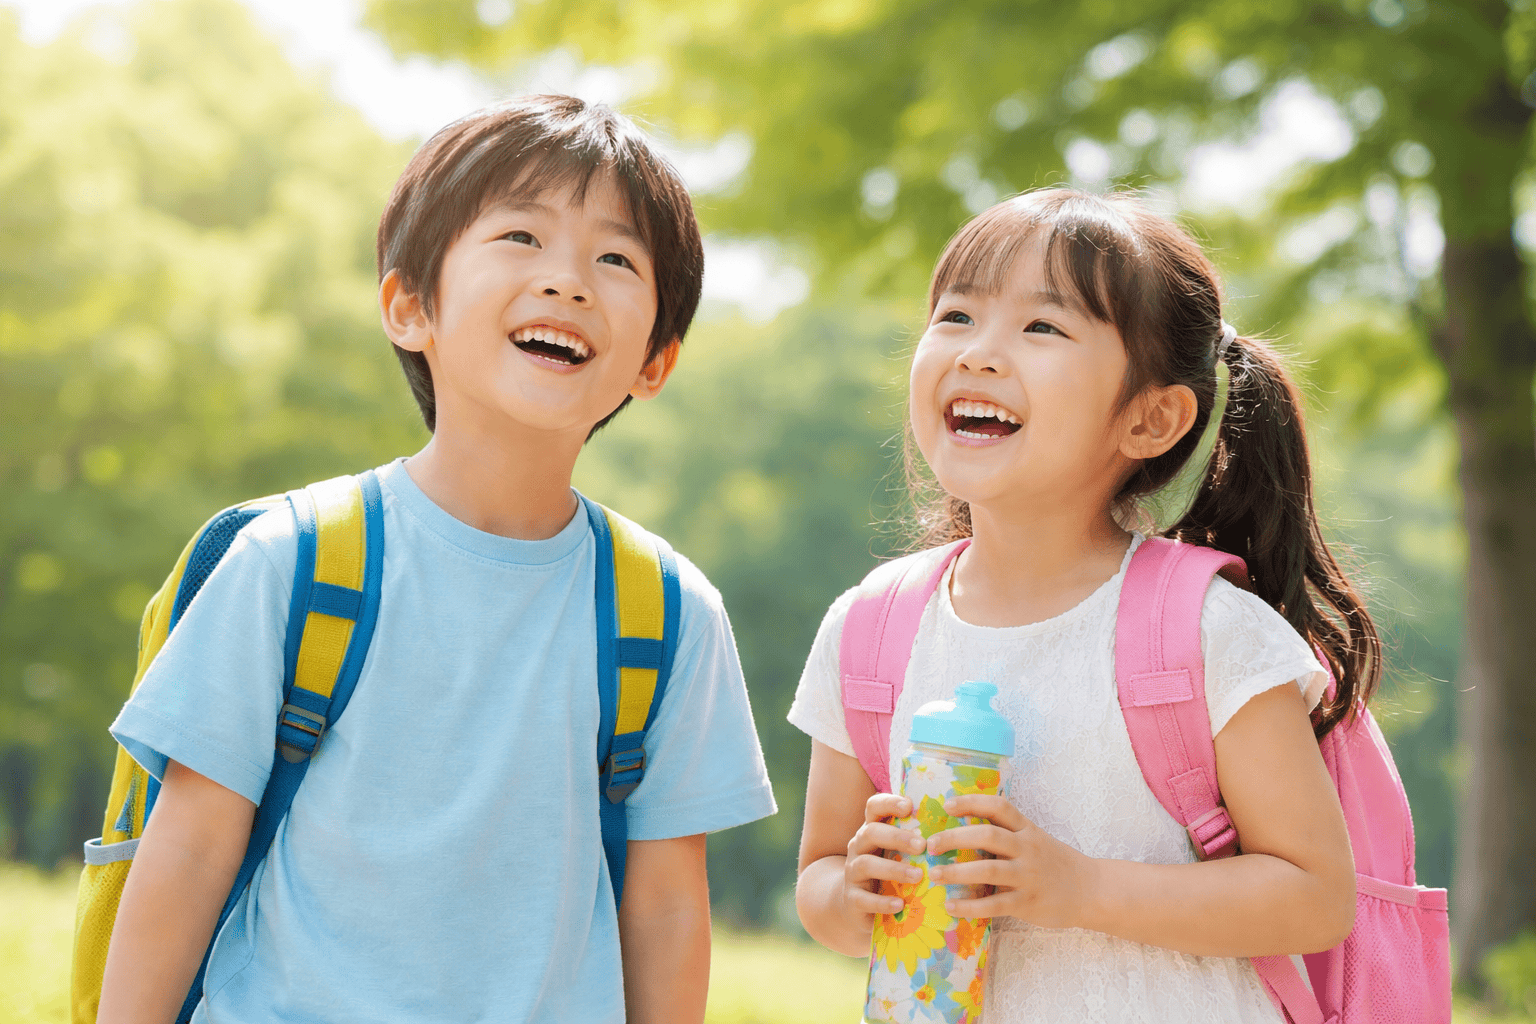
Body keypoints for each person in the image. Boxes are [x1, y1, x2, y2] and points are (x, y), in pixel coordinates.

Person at [99, 94, 776, 1024]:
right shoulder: (292, 560)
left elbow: (663, 903)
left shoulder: (666, 612)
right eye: (521, 237)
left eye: (616, 259)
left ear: (656, 360)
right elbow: (188, 848)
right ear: (410, 306)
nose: (569, 282)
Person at [789, 188, 1375, 1022]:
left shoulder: (1203, 631)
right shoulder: (871, 628)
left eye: (1042, 328)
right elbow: (818, 882)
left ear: (1151, 418)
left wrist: (1078, 887)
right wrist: (859, 891)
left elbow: (1314, 897)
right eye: (956, 316)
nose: (979, 354)